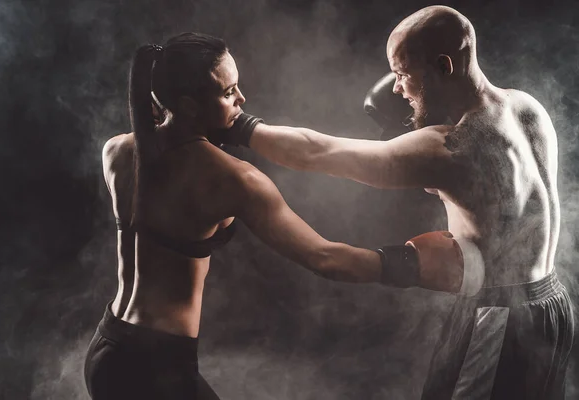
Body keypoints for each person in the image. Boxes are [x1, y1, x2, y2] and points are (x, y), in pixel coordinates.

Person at [83, 32, 478, 400]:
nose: (242, 98)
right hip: (157, 371)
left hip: (108, 347)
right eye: (228, 92)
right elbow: (325, 258)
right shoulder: (235, 180)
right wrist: (410, 264)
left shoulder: (117, 151)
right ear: (188, 104)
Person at [217, 6, 575, 400]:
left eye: (403, 74)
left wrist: (238, 125)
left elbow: (317, 152)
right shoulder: (526, 107)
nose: (396, 88)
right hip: (552, 305)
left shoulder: (451, 149)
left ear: (443, 65)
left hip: (498, 316)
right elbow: (500, 195)